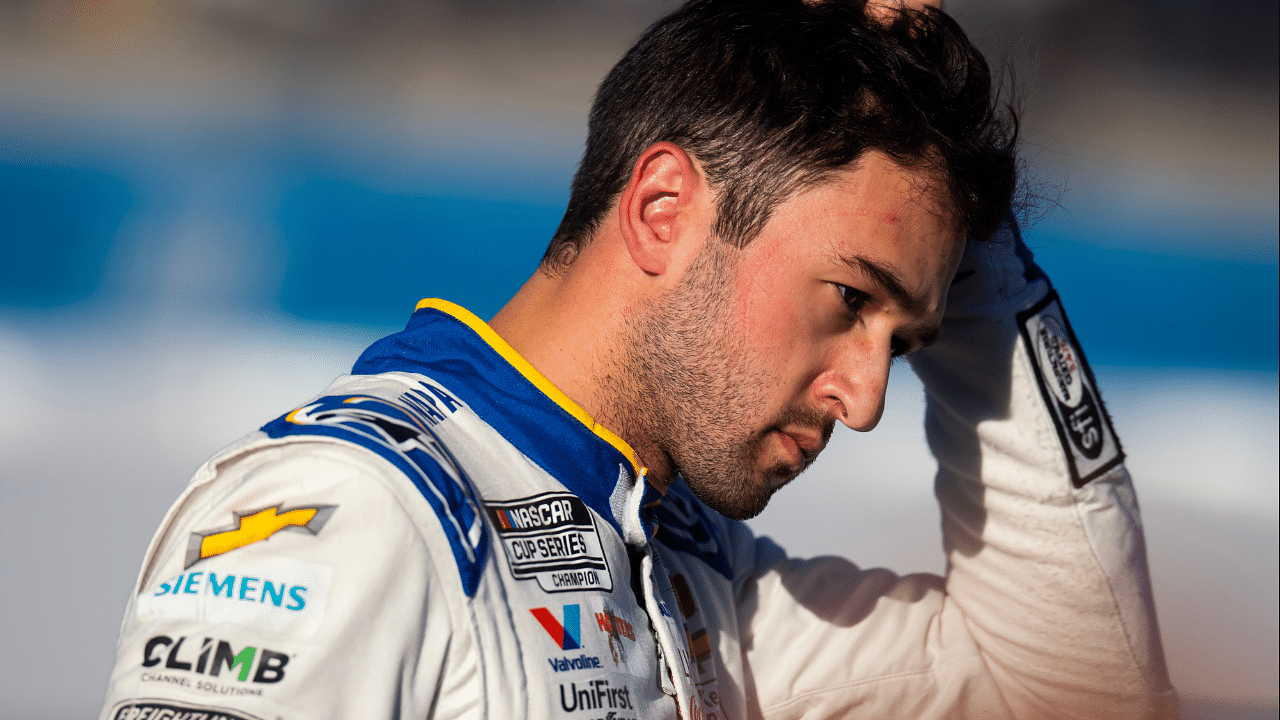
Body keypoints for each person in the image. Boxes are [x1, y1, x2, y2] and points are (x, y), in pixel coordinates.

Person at [98, 1, 1178, 718]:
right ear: (662, 210)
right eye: (848, 299)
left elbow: (1071, 689)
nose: (863, 402)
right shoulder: (352, 512)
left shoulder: (688, 574)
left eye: (904, 342)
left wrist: (970, 244)